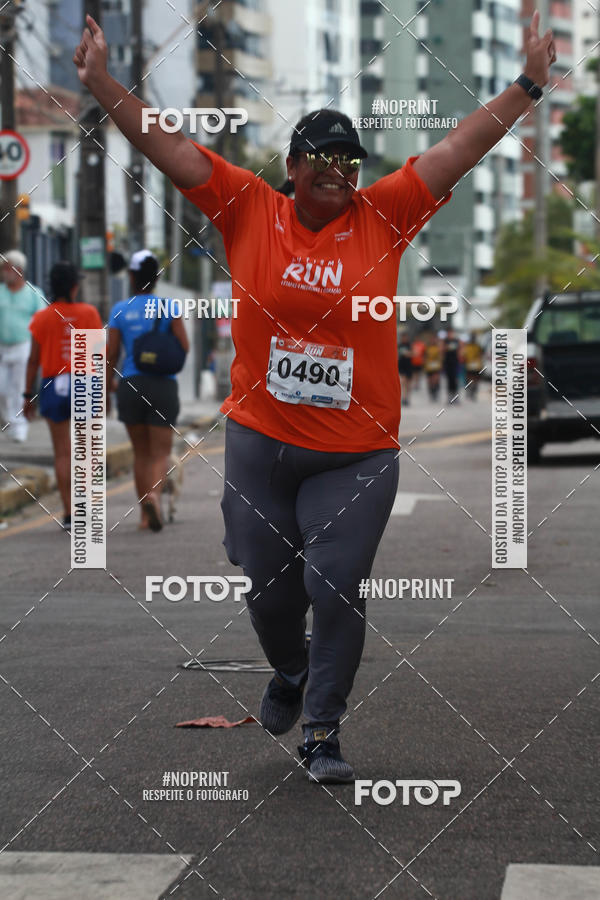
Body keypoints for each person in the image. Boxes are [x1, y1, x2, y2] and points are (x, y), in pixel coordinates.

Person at [74, 10, 556, 782]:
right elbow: (167, 146)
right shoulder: (245, 209)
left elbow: (459, 147)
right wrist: (100, 81)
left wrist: (528, 83)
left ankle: (322, 729)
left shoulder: (387, 214)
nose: (340, 168)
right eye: (323, 156)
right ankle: (291, 674)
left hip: (354, 455)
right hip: (261, 444)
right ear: (292, 165)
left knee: (335, 582)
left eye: (351, 159)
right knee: (268, 593)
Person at [107, 250, 189, 532]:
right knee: (160, 452)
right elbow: (184, 347)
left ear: (131, 276)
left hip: (130, 385)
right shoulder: (170, 307)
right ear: (156, 278)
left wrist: (107, 390)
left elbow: (110, 355)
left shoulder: (119, 309)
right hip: (163, 385)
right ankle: (154, 495)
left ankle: (144, 514)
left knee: (140, 453)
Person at [23, 262, 102, 529]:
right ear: (74, 286)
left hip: (52, 384)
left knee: (62, 453)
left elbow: (32, 361)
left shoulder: (41, 318)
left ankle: (70, 514)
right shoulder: (89, 313)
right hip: (84, 380)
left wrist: (26, 395)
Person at [0, 250, 45, 442]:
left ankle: (19, 427)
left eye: (6, 267)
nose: (2, 272)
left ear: (18, 270)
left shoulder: (33, 293)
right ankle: (9, 421)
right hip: (2, 346)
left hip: (23, 345)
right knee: (1, 388)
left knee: (18, 387)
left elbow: (42, 320)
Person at [442, 326, 461, 403]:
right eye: (449, 333)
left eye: (451, 333)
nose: (450, 334)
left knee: (455, 380)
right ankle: (449, 396)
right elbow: (442, 350)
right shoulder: (445, 341)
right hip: (447, 363)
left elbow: (460, 350)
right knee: (449, 380)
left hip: (455, 362)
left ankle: (456, 397)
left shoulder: (456, 341)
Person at [463, 332, 484, 400]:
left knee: (475, 380)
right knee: (470, 379)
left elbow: (481, 355)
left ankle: (473, 392)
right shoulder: (467, 346)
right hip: (469, 366)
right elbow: (464, 355)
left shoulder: (478, 346)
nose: (473, 339)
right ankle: (469, 391)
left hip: (476, 366)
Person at [424, 332, 443, 402]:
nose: (433, 341)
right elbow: (425, 356)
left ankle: (435, 391)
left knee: (435, 379)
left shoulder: (438, 347)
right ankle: (431, 392)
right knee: (430, 381)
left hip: (436, 366)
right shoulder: (427, 347)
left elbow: (441, 356)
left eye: (434, 339)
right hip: (429, 367)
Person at [397, 331, 413, 407]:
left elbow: (413, 353)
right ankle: (404, 398)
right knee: (403, 382)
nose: (404, 339)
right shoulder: (399, 345)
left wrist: (408, 354)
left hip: (409, 366)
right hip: (402, 365)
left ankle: (408, 398)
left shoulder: (409, 345)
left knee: (408, 384)